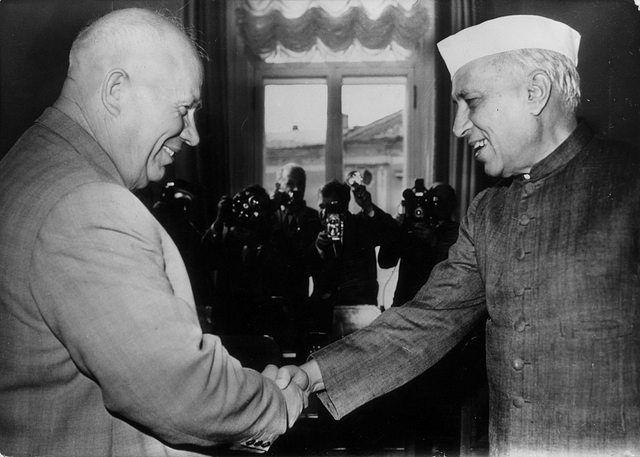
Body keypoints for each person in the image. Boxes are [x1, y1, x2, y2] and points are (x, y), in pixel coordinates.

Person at [274, 14, 640, 456]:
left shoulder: (630, 185)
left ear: (535, 92)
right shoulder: (488, 212)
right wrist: (312, 374)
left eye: (472, 101)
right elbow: (425, 321)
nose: (458, 126)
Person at [0, 8, 306, 457]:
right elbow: (183, 392)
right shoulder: (86, 204)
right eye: (184, 109)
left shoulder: (25, 167)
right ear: (116, 90)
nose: (194, 136)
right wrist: (275, 404)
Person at [307, 178, 397, 334]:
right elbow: (300, 269)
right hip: (323, 314)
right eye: (321, 206)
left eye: (331, 206)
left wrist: (368, 207)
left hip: (359, 313)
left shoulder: (361, 225)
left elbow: (392, 230)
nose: (324, 212)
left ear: (344, 206)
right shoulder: (312, 230)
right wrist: (317, 247)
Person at [379, 181, 460, 308]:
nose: (439, 204)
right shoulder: (410, 227)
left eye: (445, 200)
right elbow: (385, 261)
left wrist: (433, 241)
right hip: (405, 304)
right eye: (434, 199)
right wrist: (398, 228)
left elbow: (453, 266)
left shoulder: (457, 231)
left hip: (435, 305)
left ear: (453, 204)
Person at [269, 163, 323, 345]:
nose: (297, 189)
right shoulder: (268, 213)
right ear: (279, 185)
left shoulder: (313, 217)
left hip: (300, 292)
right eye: (291, 183)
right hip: (270, 290)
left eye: (301, 183)